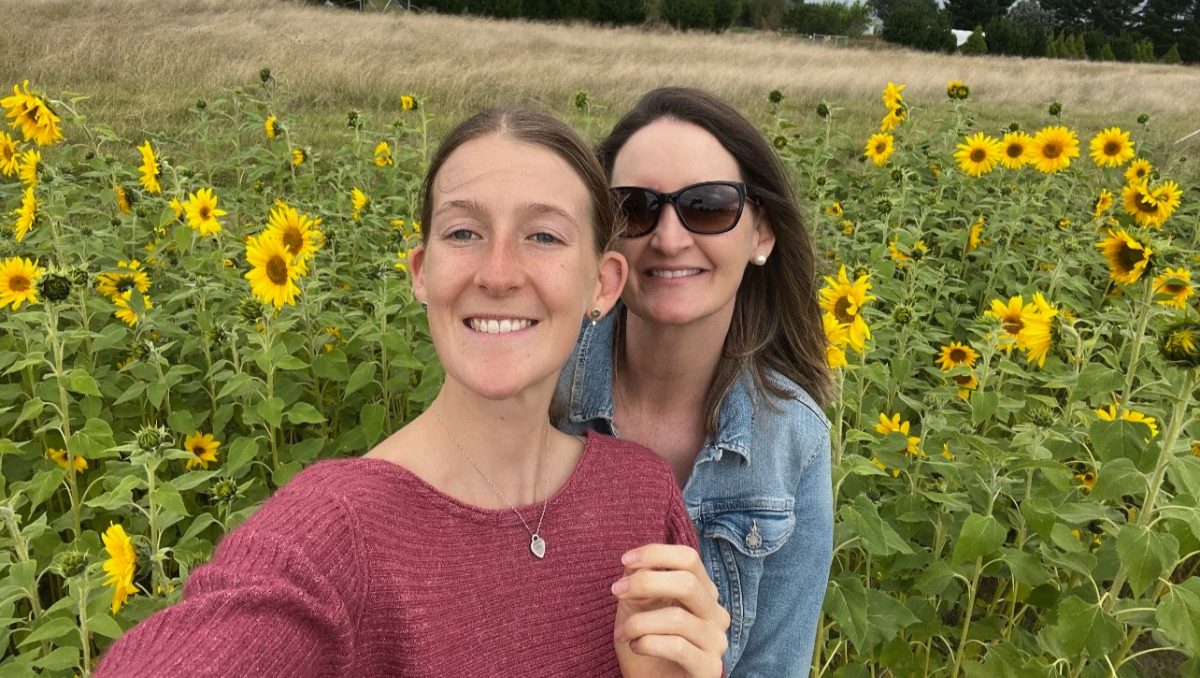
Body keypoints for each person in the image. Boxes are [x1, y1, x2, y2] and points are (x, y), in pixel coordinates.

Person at [95, 108, 729, 677]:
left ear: (603, 283)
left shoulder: (641, 495)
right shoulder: (335, 534)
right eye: (463, 233)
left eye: (544, 236)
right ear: (423, 274)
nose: (499, 273)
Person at [556, 87, 835, 677]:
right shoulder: (543, 388)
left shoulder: (792, 439)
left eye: (707, 206)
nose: (669, 237)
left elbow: (773, 668)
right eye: (635, 207)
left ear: (762, 233)